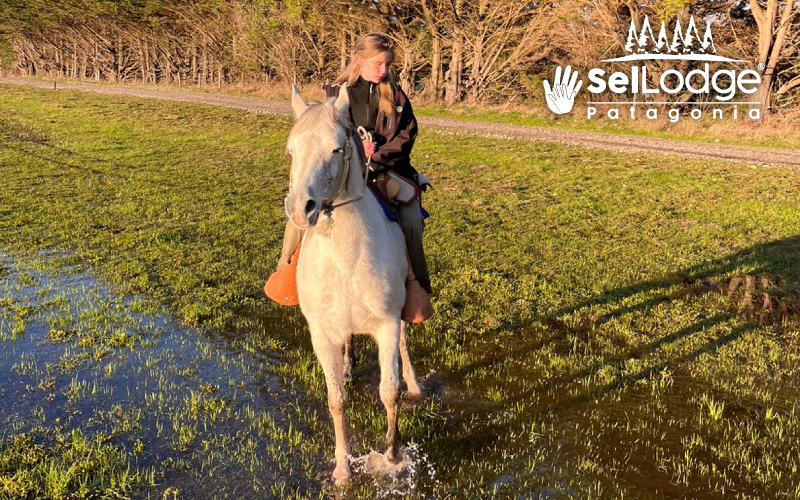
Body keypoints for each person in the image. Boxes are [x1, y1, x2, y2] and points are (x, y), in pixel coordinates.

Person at [271, 32, 433, 321]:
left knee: (411, 220)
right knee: (300, 213)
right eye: (378, 64)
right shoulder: (336, 93)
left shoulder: (396, 96)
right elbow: (323, 133)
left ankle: (415, 288)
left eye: (387, 65)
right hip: (344, 172)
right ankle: (288, 270)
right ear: (360, 60)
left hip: (387, 170)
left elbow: (407, 135)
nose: (383, 71)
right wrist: (358, 151)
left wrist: (377, 156)